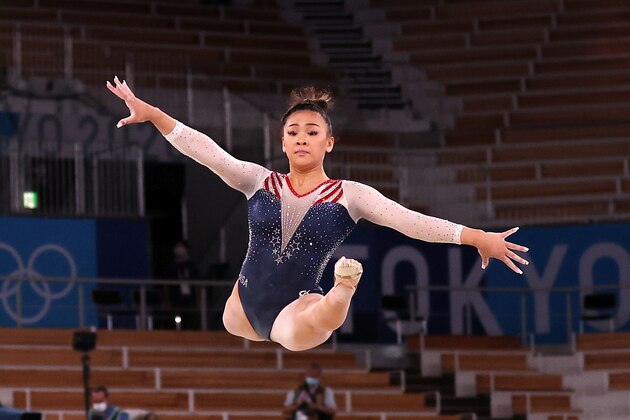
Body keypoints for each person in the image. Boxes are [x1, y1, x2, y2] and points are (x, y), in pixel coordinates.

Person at [106, 77, 529, 351]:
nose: (302, 139)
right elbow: (206, 151)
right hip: (241, 307)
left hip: (296, 307)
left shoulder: (350, 195)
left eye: (313, 132)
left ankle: (343, 287)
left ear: (329, 143)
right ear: (283, 141)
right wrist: (155, 115)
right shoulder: (258, 180)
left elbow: (409, 220)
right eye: (293, 133)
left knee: (309, 322)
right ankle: (336, 292)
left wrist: (476, 236)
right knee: (235, 320)